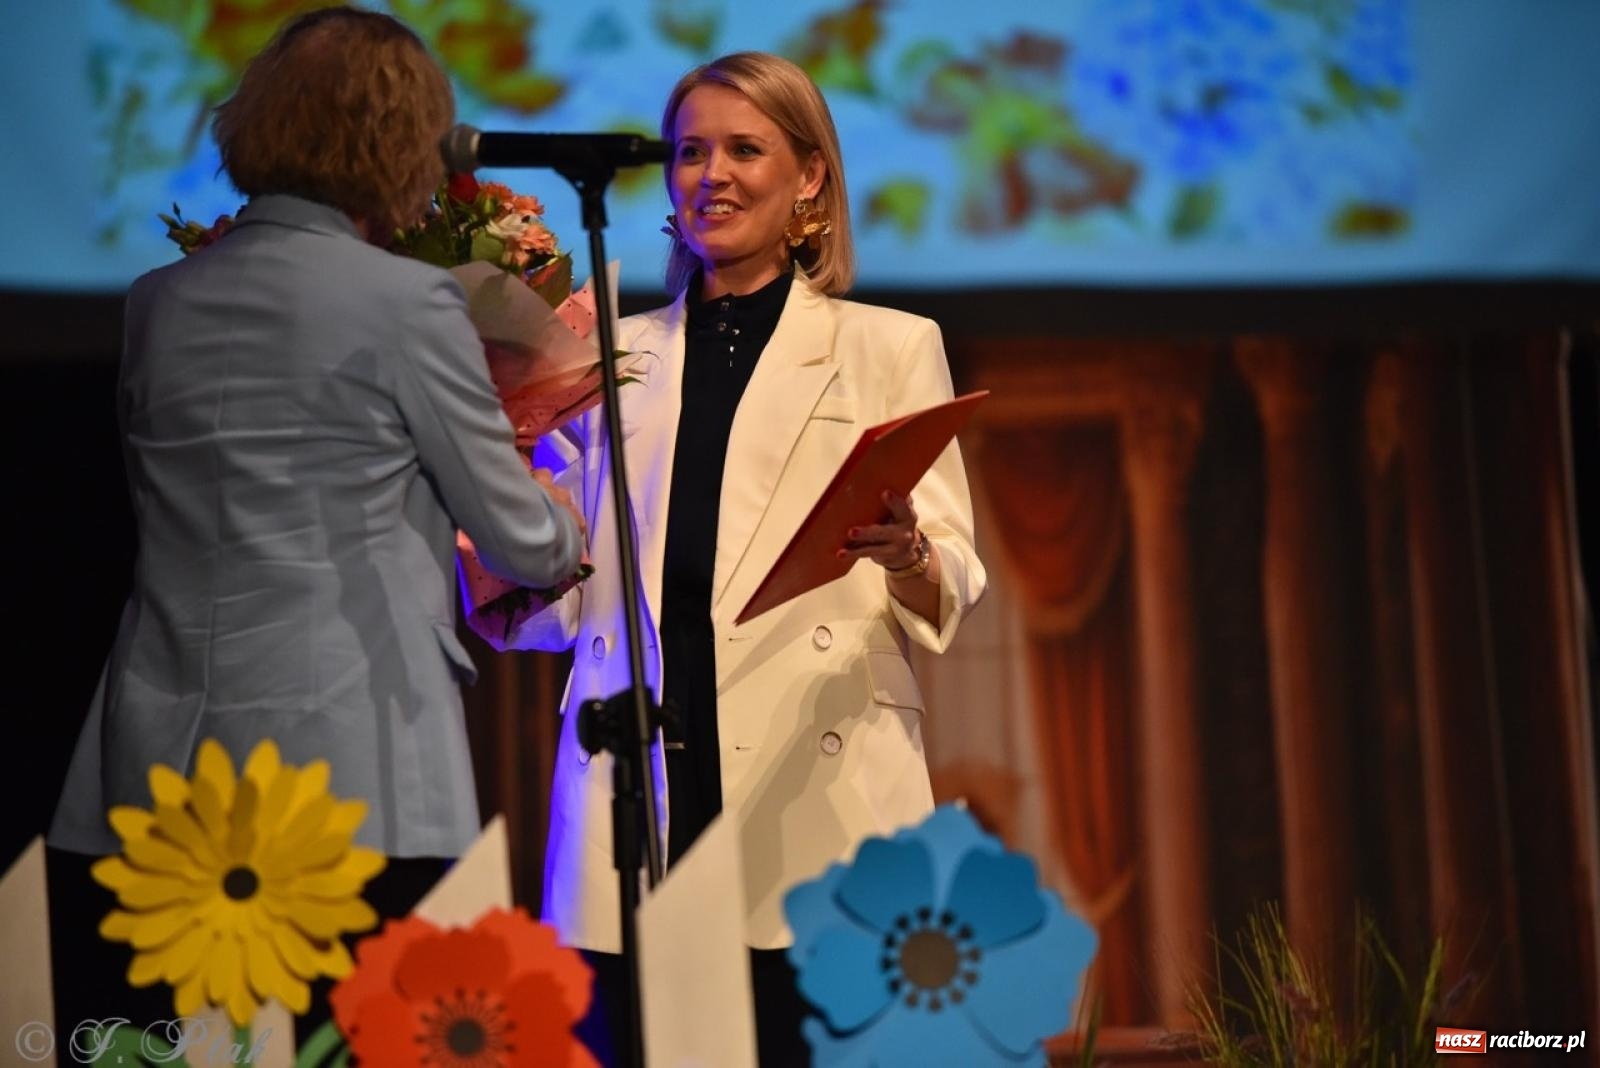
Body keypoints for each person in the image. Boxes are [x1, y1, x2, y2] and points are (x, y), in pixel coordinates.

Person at [45, 4, 585, 1045]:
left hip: (160, 752)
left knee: (183, 1050)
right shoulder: (406, 305)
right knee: (351, 1045)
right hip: (346, 761)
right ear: (399, 141)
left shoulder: (158, 300)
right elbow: (521, 539)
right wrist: (563, 513)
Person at [474, 51, 987, 1064]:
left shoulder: (885, 345)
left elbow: (955, 573)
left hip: (816, 782)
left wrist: (904, 549)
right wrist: (492, 494)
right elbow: (556, 602)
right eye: (690, 151)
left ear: (808, 178)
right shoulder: (602, 359)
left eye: (744, 149)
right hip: (644, 775)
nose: (711, 174)